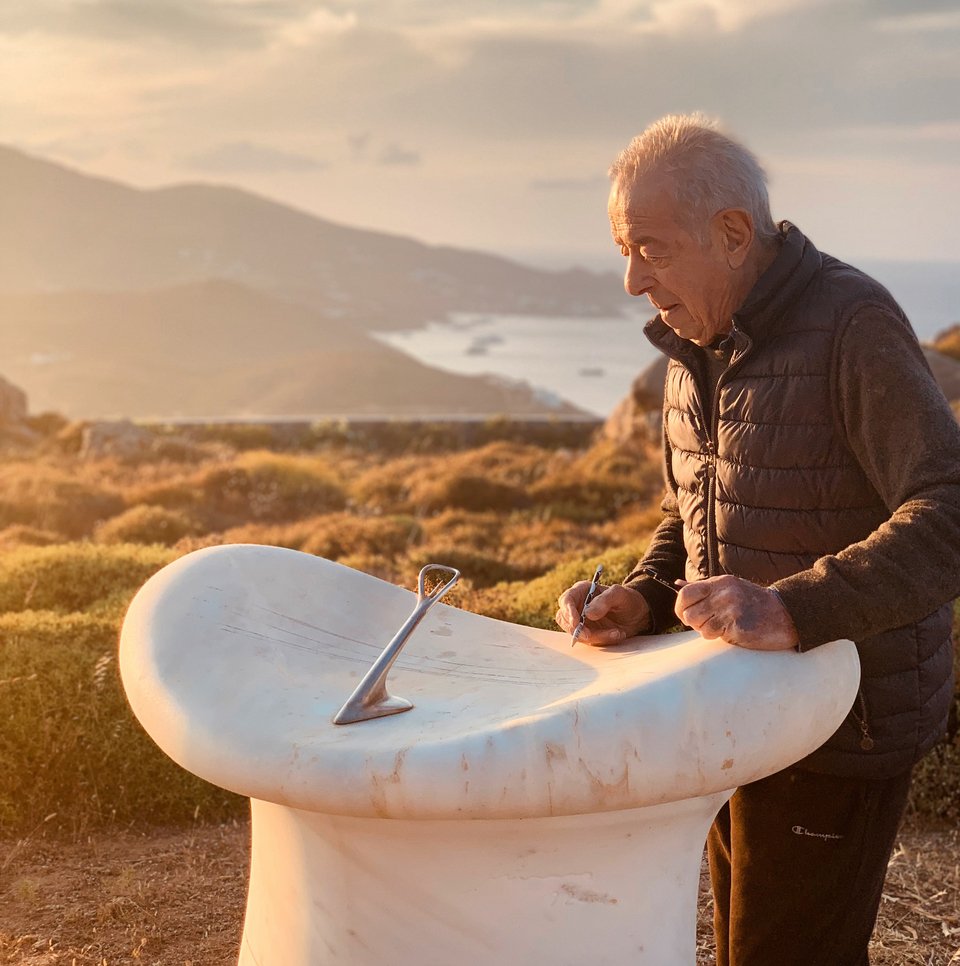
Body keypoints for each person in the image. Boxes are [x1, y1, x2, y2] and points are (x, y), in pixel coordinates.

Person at [555, 113, 960, 966]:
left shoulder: (852, 325)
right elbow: (692, 518)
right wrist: (641, 596)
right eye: (622, 248)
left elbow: (950, 510)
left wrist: (790, 610)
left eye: (650, 248)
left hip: (842, 726)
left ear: (733, 234)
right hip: (739, 709)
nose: (631, 279)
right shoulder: (693, 341)